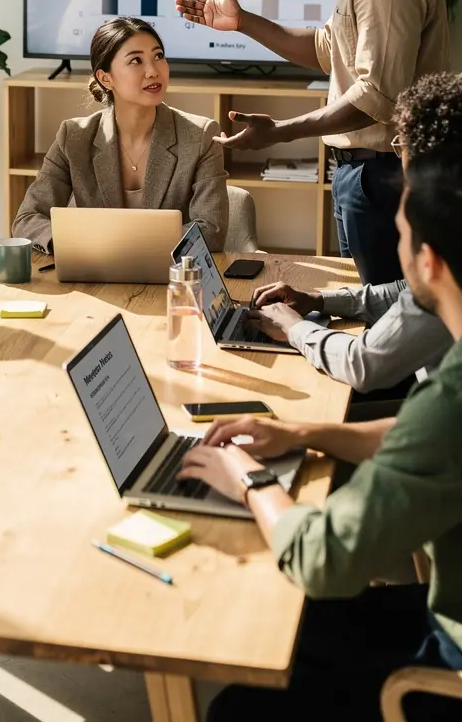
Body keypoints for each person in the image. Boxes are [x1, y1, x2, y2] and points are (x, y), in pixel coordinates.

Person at [178, 148, 462, 722]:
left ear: (427, 263)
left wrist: (250, 478)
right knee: (296, 628)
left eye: (400, 234)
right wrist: (307, 432)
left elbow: (321, 559)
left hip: (445, 666)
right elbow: (426, 435)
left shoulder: (452, 396)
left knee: (239, 705)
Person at [175, 0, 449, 285]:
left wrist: (279, 132)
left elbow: (375, 96)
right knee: (369, 312)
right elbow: (328, 49)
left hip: (381, 179)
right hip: (363, 177)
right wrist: (241, 21)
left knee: (381, 320)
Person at [243, 73, 462, 392]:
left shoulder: (443, 232)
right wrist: (317, 300)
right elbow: (405, 292)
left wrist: (294, 328)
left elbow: (363, 364)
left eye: (400, 144)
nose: (399, 154)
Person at [12, 17, 228, 252]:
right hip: (95, 274)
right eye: (136, 60)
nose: (153, 71)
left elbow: (211, 230)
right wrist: (72, 243)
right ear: (106, 78)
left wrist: (119, 243)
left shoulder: (201, 136)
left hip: (172, 278)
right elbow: (27, 220)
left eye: (158, 56)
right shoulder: (74, 138)